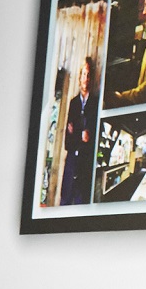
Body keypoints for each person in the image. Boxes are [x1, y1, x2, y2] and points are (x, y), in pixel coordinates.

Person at [59, 56, 98, 206]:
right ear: (79, 77)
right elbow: (67, 143)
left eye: (88, 75)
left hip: (85, 163)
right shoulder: (74, 103)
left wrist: (77, 132)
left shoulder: (95, 103)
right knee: (65, 200)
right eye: (83, 74)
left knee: (80, 202)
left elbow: (90, 138)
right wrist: (79, 135)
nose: (86, 78)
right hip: (71, 162)